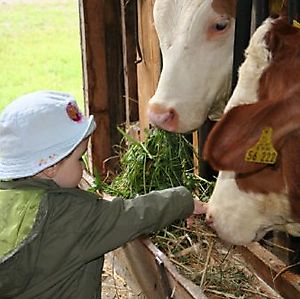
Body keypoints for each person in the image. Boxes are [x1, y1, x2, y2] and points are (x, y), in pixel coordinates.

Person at [0, 90, 206, 299]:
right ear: (50, 167)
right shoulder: (69, 215)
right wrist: (183, 200)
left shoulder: (7, 198)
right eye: (79, 159)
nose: (82, 166)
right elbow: (132, 216)